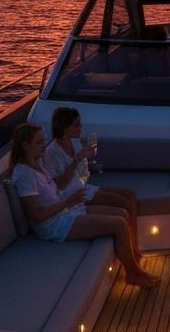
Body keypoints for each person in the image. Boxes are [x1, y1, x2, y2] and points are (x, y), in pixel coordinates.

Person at [9, 122, 158, 289]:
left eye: (44, 141)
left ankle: (133, 262)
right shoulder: (24, 175)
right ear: (25, 145)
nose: (45, 145)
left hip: (65, 211)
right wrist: (67, 201)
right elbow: (36, 215)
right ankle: (133, 273)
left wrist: (75, 165)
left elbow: (56, 187)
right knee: (119, 224)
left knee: (122, 212)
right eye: (39, 142)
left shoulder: (38, 164)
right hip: (54, 225)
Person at [43, 106, 141, 250]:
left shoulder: (74, 142)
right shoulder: (52, 153)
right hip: (71, 195)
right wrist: (77, 160)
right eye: (76, 125)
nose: (81, 128)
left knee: (131, 195)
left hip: (81, 187)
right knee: (124, 204)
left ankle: (134, 244)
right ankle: (132, 248)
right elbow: (58, 186)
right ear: (64, 128)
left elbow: (82, 175)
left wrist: (85, 160)